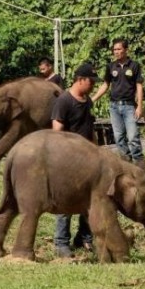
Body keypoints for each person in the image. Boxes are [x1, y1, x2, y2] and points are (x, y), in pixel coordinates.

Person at [51, 62, 100, 258]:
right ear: (80, 80)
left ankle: (85, 238)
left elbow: (90, 128)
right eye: (91, 82)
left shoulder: (87, 101)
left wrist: (97, 151)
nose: (94, 86)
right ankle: (61, 242)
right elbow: (56, 132)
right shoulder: (64, 101)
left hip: (88, 159)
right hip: (69, 160)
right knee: (66, 202)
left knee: (89, 201)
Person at [91, 38, 145, 169]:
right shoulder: (110, 66)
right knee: (119, 137)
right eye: (114, 49)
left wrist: (140, 106)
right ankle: (126, 164)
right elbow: (105, 85)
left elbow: (139, 86)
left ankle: (139, 164)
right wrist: (92, 99)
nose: (116, 52)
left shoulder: (134, 66)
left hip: (129, 106)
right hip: (114, 106)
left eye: (119, 49)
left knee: (133, 136)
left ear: (126, 50)